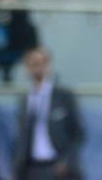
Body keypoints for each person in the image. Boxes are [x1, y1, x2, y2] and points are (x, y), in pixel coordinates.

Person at [13, 48, 84, 180]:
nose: (38, 68)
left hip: (58, 168)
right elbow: (22, 137)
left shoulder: (63, 96)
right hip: (32, 169)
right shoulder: (25, 100)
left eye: (42, 63)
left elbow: (78, 133)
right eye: (34, 64)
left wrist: (66, 161)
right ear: (26, 68)